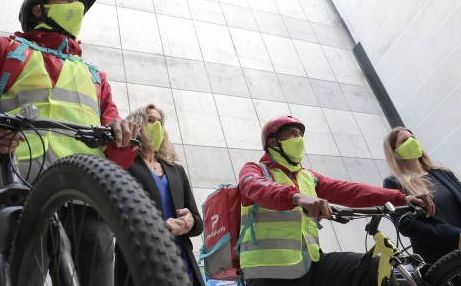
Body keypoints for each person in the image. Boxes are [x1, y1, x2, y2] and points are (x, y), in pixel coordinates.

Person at [0, 0, 136, 286]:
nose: (76, 7)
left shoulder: (95, 75)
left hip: (85, 196)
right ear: (39, 10)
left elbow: (116, 153)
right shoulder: (6, 48)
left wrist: (124, 138)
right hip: (14, 187)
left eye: (79, 3)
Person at [238, 115, 435, 286]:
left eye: (300, 135)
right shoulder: (255, 170)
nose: (299, 139)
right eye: (292, 134)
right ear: (273, 143)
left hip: (310, 266)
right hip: (267, 274)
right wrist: (297, 198)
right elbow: (255, 186)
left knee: (370, 269)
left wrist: (403, 197)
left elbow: (350, 191)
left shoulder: (307, 176)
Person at [114, 104, 205, 286]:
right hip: (143, 266)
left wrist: (190, 221)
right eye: (150, 120)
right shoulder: (125, 166)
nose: (156, 126)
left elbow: (198, 221)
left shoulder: (176, 170)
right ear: (136, 125)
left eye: (160, 123)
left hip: (183, 266)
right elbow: (118, 218)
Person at [383, 127, 461, 264]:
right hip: (441, 260)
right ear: (394, 152)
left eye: (413, 138)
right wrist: (456, 236)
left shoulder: (443, 173)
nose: (412, 142)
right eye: (405, 141)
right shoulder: (393, 183)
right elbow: (406, 224)